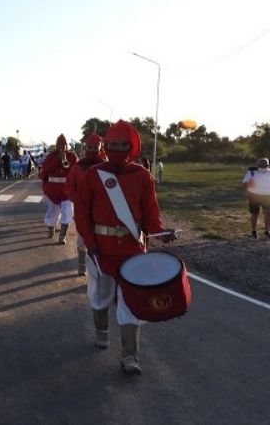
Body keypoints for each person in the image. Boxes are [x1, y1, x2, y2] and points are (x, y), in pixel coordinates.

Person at [74, 120, 176, 375]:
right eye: (113, 144)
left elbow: (150, 213)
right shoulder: (92, 176)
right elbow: (82, 214)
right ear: (106, 146)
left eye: (123, 145)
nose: (118, 149)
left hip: (132, 250)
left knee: (131, 302)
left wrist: (160, 233)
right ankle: (101, 332)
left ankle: (130, 356)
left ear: (132, 146)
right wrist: (90, 242)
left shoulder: (142, 176)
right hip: (101, 250)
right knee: (100, 297)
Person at [64, 133, 106, 276]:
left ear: (100, 148)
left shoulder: (107, 167)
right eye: (89, 147)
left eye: (95, 147)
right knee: (82, 237)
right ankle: (82, 266)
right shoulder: (78, 167)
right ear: (85, 148)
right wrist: (79, 201)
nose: (92, 150)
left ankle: (99, 268)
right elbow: (69, 188)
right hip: (83, 210)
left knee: (102, 239)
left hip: (103, 210)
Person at [39, 135, 78, 244]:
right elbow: (47, 169)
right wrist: (57, 160)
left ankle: (62, 236)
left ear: (66, 145)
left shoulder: (72, 156)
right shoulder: (51, 156)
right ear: (56, 145)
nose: (61, 147)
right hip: (53, 189)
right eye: (59, 144)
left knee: (68, 211)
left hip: (67, 189)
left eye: (63, 145)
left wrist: (65, 160)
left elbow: (75, 170)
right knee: (53, 211)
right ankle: (51, 228)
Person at [241, 157, 270, 238]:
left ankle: (267, 231)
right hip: (254, 196)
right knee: (255, 213)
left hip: (267, 196)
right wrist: (247, 190)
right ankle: (253, 231)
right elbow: (244, 183)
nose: (263, 164)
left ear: (268, 164)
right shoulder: (251, 172)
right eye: (261, 163)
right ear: (257, 164)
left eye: (265, 163)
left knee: (268, 213)